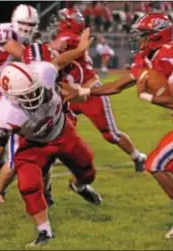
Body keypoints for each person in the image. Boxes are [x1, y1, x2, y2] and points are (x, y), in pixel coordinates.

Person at [64, 13, 173, 241]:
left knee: (156, 163)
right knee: (172, 171)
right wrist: (84, 92)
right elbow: (120, 84)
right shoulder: (147, 56)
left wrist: (146, 96)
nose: (139, 40)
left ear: (157, 35)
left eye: (144, 36)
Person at [0, 28, 102, 246]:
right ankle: (44, 231)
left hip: (62, 132)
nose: (34, 95)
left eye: (34, 89)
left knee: (88, 171)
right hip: (32, 145)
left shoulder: (44, 72)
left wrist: (81, 49)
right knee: (27, 185)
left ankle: (81, 186)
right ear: (11, 97)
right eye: (26, 95)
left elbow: (60, 60)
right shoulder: (4, 113)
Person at [54, 8, 147, 172]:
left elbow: (56, 46)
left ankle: (137, 156)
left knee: (111, 134)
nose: (59, 23)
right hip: (73, 94)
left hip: (90, 93)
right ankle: (57, 155)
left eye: (62, 20)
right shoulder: (74, 38)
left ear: (69, 23)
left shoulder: (69, 38)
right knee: (55, 121)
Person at [0, 4, 41, 201]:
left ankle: (41, 189)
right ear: (15, 21)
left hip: (16, 94)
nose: (27, 28)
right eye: (24, 23)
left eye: (31, 24)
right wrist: (47, 50)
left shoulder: (33, 39)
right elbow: (23, 54)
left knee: (23, 141)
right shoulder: (4, 29)